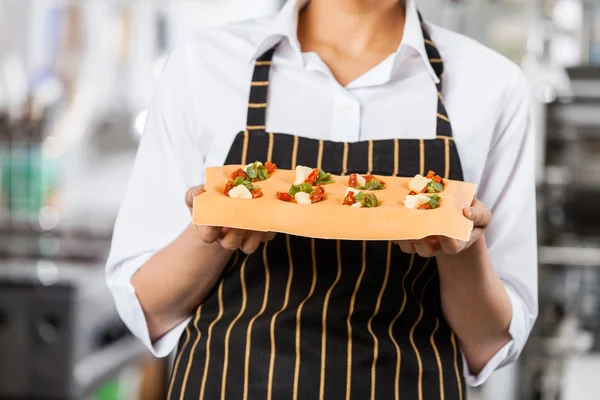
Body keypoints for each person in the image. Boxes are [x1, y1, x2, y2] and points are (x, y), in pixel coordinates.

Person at [105, 0, 538, 398]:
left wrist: (460, 245)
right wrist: (219, 223)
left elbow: (489, 342)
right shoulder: (205, 64)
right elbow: (149, 309)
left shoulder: (492, 86)